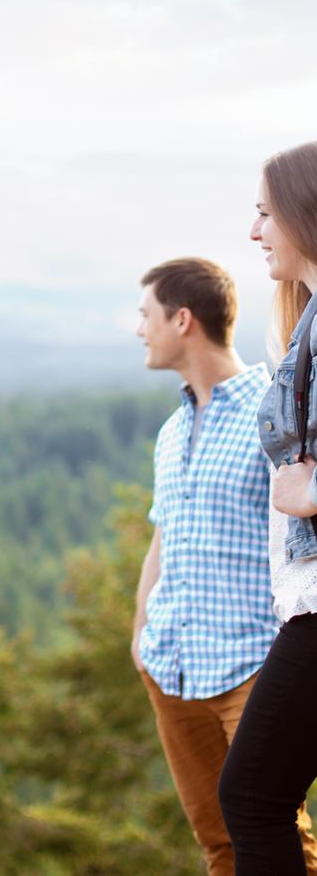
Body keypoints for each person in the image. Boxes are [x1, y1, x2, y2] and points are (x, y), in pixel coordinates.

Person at [132, 257, 317, 875]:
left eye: (146, 315)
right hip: (173, 671)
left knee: (279, 835)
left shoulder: (274, 414)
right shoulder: (171, 429)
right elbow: (163, 540)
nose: (139, 330)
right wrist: (140, 638)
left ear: (182, 320)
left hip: (251, 670)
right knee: (219, 848)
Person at [219, 141, 317, 873]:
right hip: (305, 597)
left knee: (251, 794)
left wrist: (311, 493)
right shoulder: (305, 326)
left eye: (264, 213)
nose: (255, 232)